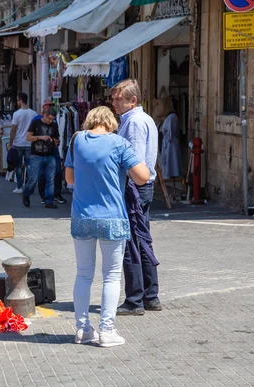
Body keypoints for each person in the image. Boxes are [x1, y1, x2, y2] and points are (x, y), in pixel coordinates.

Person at [64, 106, 150, 347]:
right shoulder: (119, 143)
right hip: (112, 218)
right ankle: (107, 330)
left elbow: (69, 179)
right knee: (111, 276)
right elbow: (142, 176)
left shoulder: (76, 140)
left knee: (83, 274)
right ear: (111, 123)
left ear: (90, 122)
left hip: (81, 216)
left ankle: (82, 329)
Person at [110, 79, 161, 315]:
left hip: (135, 187)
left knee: (130, 243)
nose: (114, 103)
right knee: (142, 241)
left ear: (133, 100)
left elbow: (135, 161)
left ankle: (135, 299)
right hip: (141, 187)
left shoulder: (133, 123)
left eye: (118, 99)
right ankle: (150, 296)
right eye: (113, 99)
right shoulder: (141, 119)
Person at [22, 108, 59, 209]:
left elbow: (57, 138)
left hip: (50, 155)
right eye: (49, 119)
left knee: (50, 179)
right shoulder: (36, 123)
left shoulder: (54, 125)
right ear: (45, 115)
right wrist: (40, 137)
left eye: (52, 119)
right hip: (36, 155)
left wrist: (55, 141)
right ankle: (26, 194)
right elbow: (28, 137)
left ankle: (49, 201)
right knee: (34, 178)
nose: (50, 121)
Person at [7, 93, 37, 194]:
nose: (17, 102)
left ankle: (19, 187)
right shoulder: (33, 113)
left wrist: (10, 143)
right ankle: (30, 185)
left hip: (18, 142)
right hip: (29, 142)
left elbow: (13, 130)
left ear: (20, 100)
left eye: (17, 100)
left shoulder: (17, 114)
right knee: (29, 165)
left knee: (18, 165)